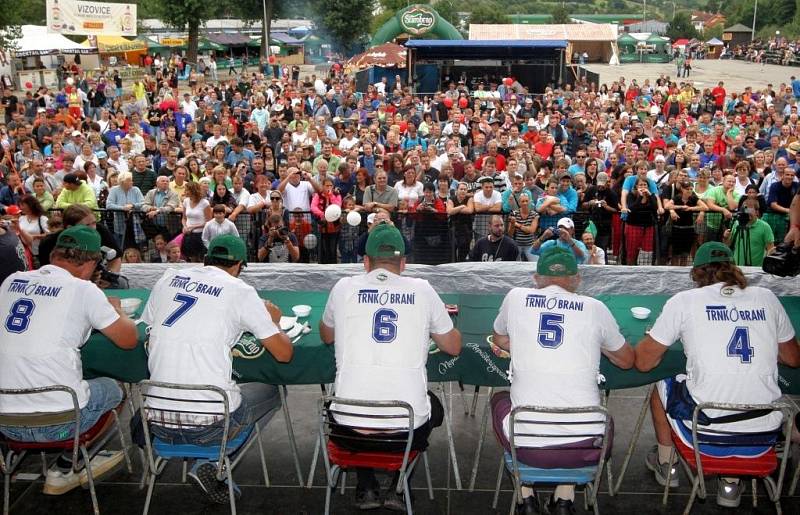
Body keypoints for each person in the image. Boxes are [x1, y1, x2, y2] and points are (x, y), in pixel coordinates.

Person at [634, 242, 800, 508]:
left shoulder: (684, 301)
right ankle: (730, 484)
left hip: (705, 435)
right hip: (763, 434)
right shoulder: (766, 297)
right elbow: (793, 358)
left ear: (696, 273)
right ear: (732, 267)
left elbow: (643, 362)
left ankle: (667, 464)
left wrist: (656, 333)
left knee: (662, 384)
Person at [138, 234, 292, 504]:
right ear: (239, 265)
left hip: (157, 423)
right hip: (212, 424)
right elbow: (283, 354)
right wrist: (274, 321)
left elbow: (149, 330)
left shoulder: (168, 278)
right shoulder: (239, 290)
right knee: (274, 390)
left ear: (207, 259)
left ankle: (206, 460)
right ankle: (215, 461)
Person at [319, 223, 461, 510]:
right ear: (404, 262)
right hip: (404, 433)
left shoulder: (343, 287)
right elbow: (453, 347)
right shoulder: (422, 289)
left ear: (366, 262)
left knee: (357, 401)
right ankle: (399, 483)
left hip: (347, 433)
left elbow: (326, 335)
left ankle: (366, 484)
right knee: (432, 407)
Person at [491, 247, 634, 514]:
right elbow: (626, 360)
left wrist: (525, 342)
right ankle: (564, 500)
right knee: (597, 418)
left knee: (499, 399)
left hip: (527, 445)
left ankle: (526, 498)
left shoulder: (515, 297)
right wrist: (594, 343)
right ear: (577, 279)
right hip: (585, 447)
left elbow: (499, 339)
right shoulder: (595, 308)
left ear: (536, 278)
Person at [0, 225, 138, 495]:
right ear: (90, 264)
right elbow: (128, 340)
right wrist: (117, 311)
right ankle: (66, 466)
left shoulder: (10, 281)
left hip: (5, 423)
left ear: (54, 256)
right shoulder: (84, 290)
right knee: (116, 388)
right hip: (60, 425)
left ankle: (12, 456)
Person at [723, 197, 775, 267]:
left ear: (757, 212)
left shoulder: (765, 227)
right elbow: (728, 245)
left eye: (749, 210)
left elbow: (770, 249)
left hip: (756, 269)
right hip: (737, 267)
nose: (747, 212)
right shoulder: (736, 224)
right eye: (745, 210)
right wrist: (725, 237)